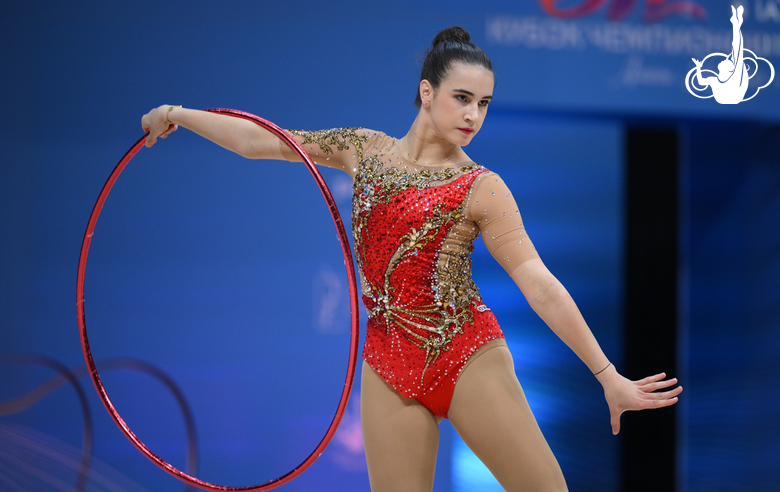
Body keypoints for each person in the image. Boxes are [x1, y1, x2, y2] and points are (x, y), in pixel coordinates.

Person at [142, 26, 681, 492]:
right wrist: (178, 114)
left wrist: (607, 375)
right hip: (387, 362)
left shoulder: (482, 188)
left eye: (484, 104)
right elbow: (263, 142)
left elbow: (539, 283)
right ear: (427, 92)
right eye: (462, 98)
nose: (473, 115)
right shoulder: (364, 150)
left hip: (465, 354)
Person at [692, 5, 748, 104]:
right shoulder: (714, 80)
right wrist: (698, 67)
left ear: (730, 69)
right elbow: (701, 82)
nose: (725, 59)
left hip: (733, 97)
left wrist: (736, 25)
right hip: (726, 99)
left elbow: (737, 48)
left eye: (728, 61)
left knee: (737, 51)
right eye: (728, 60)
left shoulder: (734, 78)